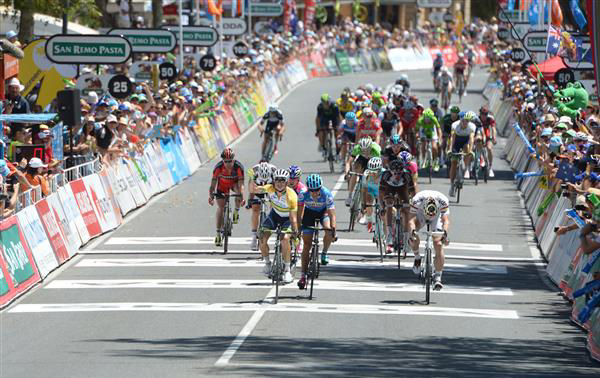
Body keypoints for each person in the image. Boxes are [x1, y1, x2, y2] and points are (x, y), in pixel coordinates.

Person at [252, 169, 299, 284]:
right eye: (277, 180)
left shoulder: (291, 196)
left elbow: (293, 218)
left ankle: (287, 270)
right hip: (274, 215)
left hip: (287, 218)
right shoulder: (269, 188)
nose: (279, 183)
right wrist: (252, 179)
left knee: (285, 239)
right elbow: (254, 189)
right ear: (273, 181)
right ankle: (267, 264)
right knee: (262, 238)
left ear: (287, 182)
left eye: (282, 180)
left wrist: (295, 232)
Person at [297, 174, 337, 289]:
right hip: (309, 214)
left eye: (317, 190)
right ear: (308, 189)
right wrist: (299, 227)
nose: (314, 193)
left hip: (323, 213)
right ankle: (303, 275)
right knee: (307, 245)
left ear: (321, 188)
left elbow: (332, 214)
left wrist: (333, 229)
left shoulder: (326, 194)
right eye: (312, 190)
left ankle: (324, 252)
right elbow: (299, 212)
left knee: (328, 230)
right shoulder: (303, 193)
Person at [409, 190, 450, 291]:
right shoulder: (416, 201)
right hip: (420, 214)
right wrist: (413, 231)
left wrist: (444, 234)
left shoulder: (443, 201)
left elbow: (446, 221)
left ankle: (438, 276)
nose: (429, 217)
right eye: (429, 215)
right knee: (413, 236)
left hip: (437, 216)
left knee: (438, 244)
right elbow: (411, 220)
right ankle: (417, 257)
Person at [380, 154, 417, 253]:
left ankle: (405, 238)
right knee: (388, 205)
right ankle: (389, 235)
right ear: (390, 171)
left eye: (399, 173)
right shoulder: (386, 175)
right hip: (389, 189)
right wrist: (381, 205)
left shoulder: (407, 176)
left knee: (406, 211)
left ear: (403, 171)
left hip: (402, 189)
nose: (397, 175)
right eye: (394, 173)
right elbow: (381, 192)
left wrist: (414, 206)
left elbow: (413, 192)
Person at [208, 148, 246, 246]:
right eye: (226, 162)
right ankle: (218, 234)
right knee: (220, 207)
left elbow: (241, 184)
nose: (228, 164)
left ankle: (236, 211)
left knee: (238, 192)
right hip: (222, 185)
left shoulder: (238, 167)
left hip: (234, 184)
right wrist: (211, 195)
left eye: (230, 161)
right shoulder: (218, 167)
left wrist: (242, 197)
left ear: (234, 160)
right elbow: (213, 184)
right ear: (222, 161)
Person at [247, 161, 277, 251]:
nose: (264, 181)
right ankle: (253, 236)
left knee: (274, 208)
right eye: (262, 180)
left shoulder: (274, 171)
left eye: (266, 180)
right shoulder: (254, 171)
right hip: (257, 190)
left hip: (270, 190)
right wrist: (250, 200)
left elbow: (277, 188)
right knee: (255, 209)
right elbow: (251, 189)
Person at [345, 137, 381, 207]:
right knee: (355, 171)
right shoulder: (357, 148)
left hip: (372, 160)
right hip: (362, 159)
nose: (365, 152)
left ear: (371, 147)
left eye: (367, 150)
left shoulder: (376, 149)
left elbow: (379, 165)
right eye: (363, 150)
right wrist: (347, 173)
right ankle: (350, 196)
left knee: (372, 175)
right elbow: (348, 162)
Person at [448, 111, 476, 197]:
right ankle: (452, 185)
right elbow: (452, 139)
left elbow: (471, 139)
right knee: (453, 163)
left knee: (467, 149)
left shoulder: (472, 127)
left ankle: (466, 168)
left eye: (467, 121)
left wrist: (470, 151)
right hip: (456, 142)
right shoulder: (455, 125)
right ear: (460, 120)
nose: (465, 123)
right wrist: (449, 149)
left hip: (465, 141)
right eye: (463, 120)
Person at [361, 157, 384, 232]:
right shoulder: (366, 175)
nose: (373, 173)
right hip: (372, 190)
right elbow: (364, 190)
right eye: (371, 171)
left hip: (382, 191)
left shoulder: (385, 173)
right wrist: (363, 204)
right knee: (368, 202)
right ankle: (370, 221)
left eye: (376, 171)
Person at [478, 105, 497, 178]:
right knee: (478, 142)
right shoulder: (477, 119)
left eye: (485, 114)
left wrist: (494, 138)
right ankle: (481, 159)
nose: (484, 116)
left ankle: (490, 167)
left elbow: (493, 129)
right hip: (479, 133)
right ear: (480, 113)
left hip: (487, 132)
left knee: (489, 148)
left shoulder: (490, 118)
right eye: (482, 114)